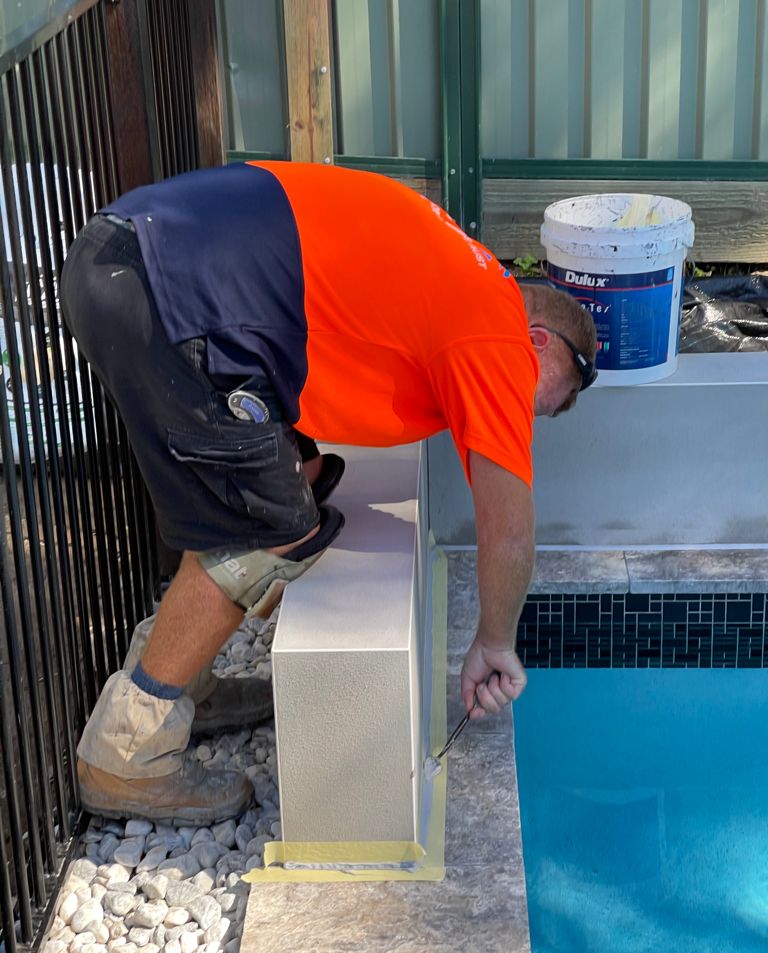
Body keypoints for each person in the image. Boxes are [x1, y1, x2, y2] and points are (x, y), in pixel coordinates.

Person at [59, 161, 597, 826]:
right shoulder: (496, 331)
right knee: (266, 528)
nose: (537, 416)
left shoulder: (463, 272)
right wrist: (494, 640)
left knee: (294, 482)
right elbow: (509, 528)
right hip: (164, 290)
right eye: (555, 400)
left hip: (143, 264)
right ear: (541, 341)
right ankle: (125, 752)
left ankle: (185, 677)